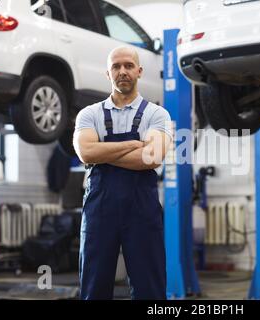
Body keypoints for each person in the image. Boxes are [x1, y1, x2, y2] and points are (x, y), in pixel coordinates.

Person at [73, 46, 172, 300]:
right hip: (99, 210)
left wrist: (103, 152)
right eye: (116, 67)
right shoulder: (89, 114)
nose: (122, 71)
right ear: (108, 73)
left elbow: (150, 157)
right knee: (94, 288)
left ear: (139, 71)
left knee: (150, 288)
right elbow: (86, 153)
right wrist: (132, 145)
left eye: (128, 66)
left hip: (142, 210)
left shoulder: (156, 114)